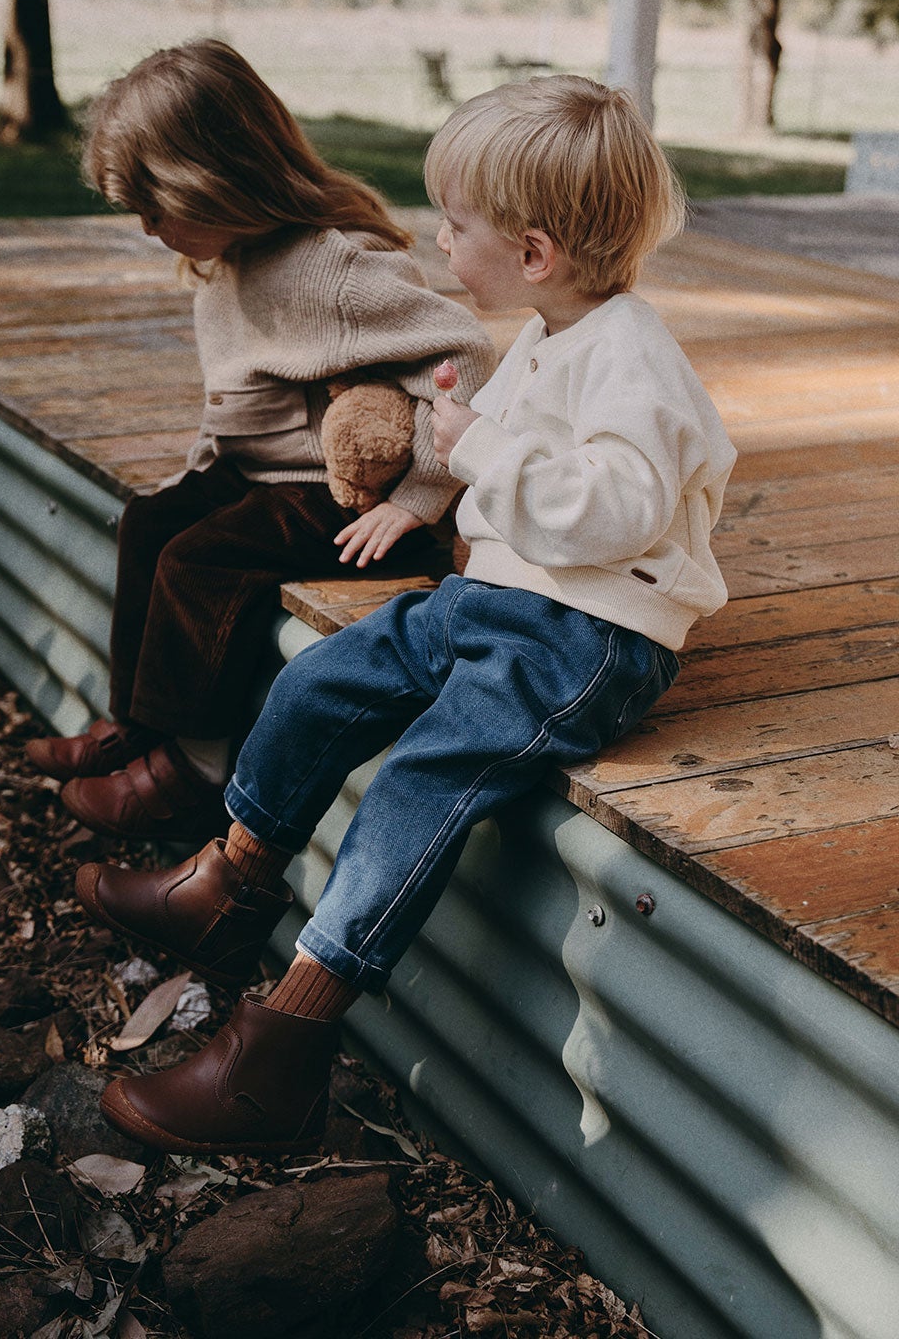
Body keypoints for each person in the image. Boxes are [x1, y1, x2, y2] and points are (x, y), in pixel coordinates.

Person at [78, 72, 738, 1156]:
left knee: (417, 785)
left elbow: (615, 514)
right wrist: (458, 453)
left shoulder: (634, 364)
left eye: (457, 222)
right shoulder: (551, 330)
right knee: (319, 678)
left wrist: (478, 446)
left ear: (534, 254)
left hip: (590, 638)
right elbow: (509, 469)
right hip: (503, 600)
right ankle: (231, 878)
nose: (438, 235)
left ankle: (280, 1054)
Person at [26, 38, 495, 840]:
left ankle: (192, 770)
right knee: (153, 523)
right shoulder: (232, 259)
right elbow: (237, 400)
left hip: (339, 497)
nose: (146, 228)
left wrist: (419, 500)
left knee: (198, 560)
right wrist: (194, 480)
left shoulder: (331, 270)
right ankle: (142, 725)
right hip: (265, 473)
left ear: (214, 182)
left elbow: (469, 357)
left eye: (154, 207)